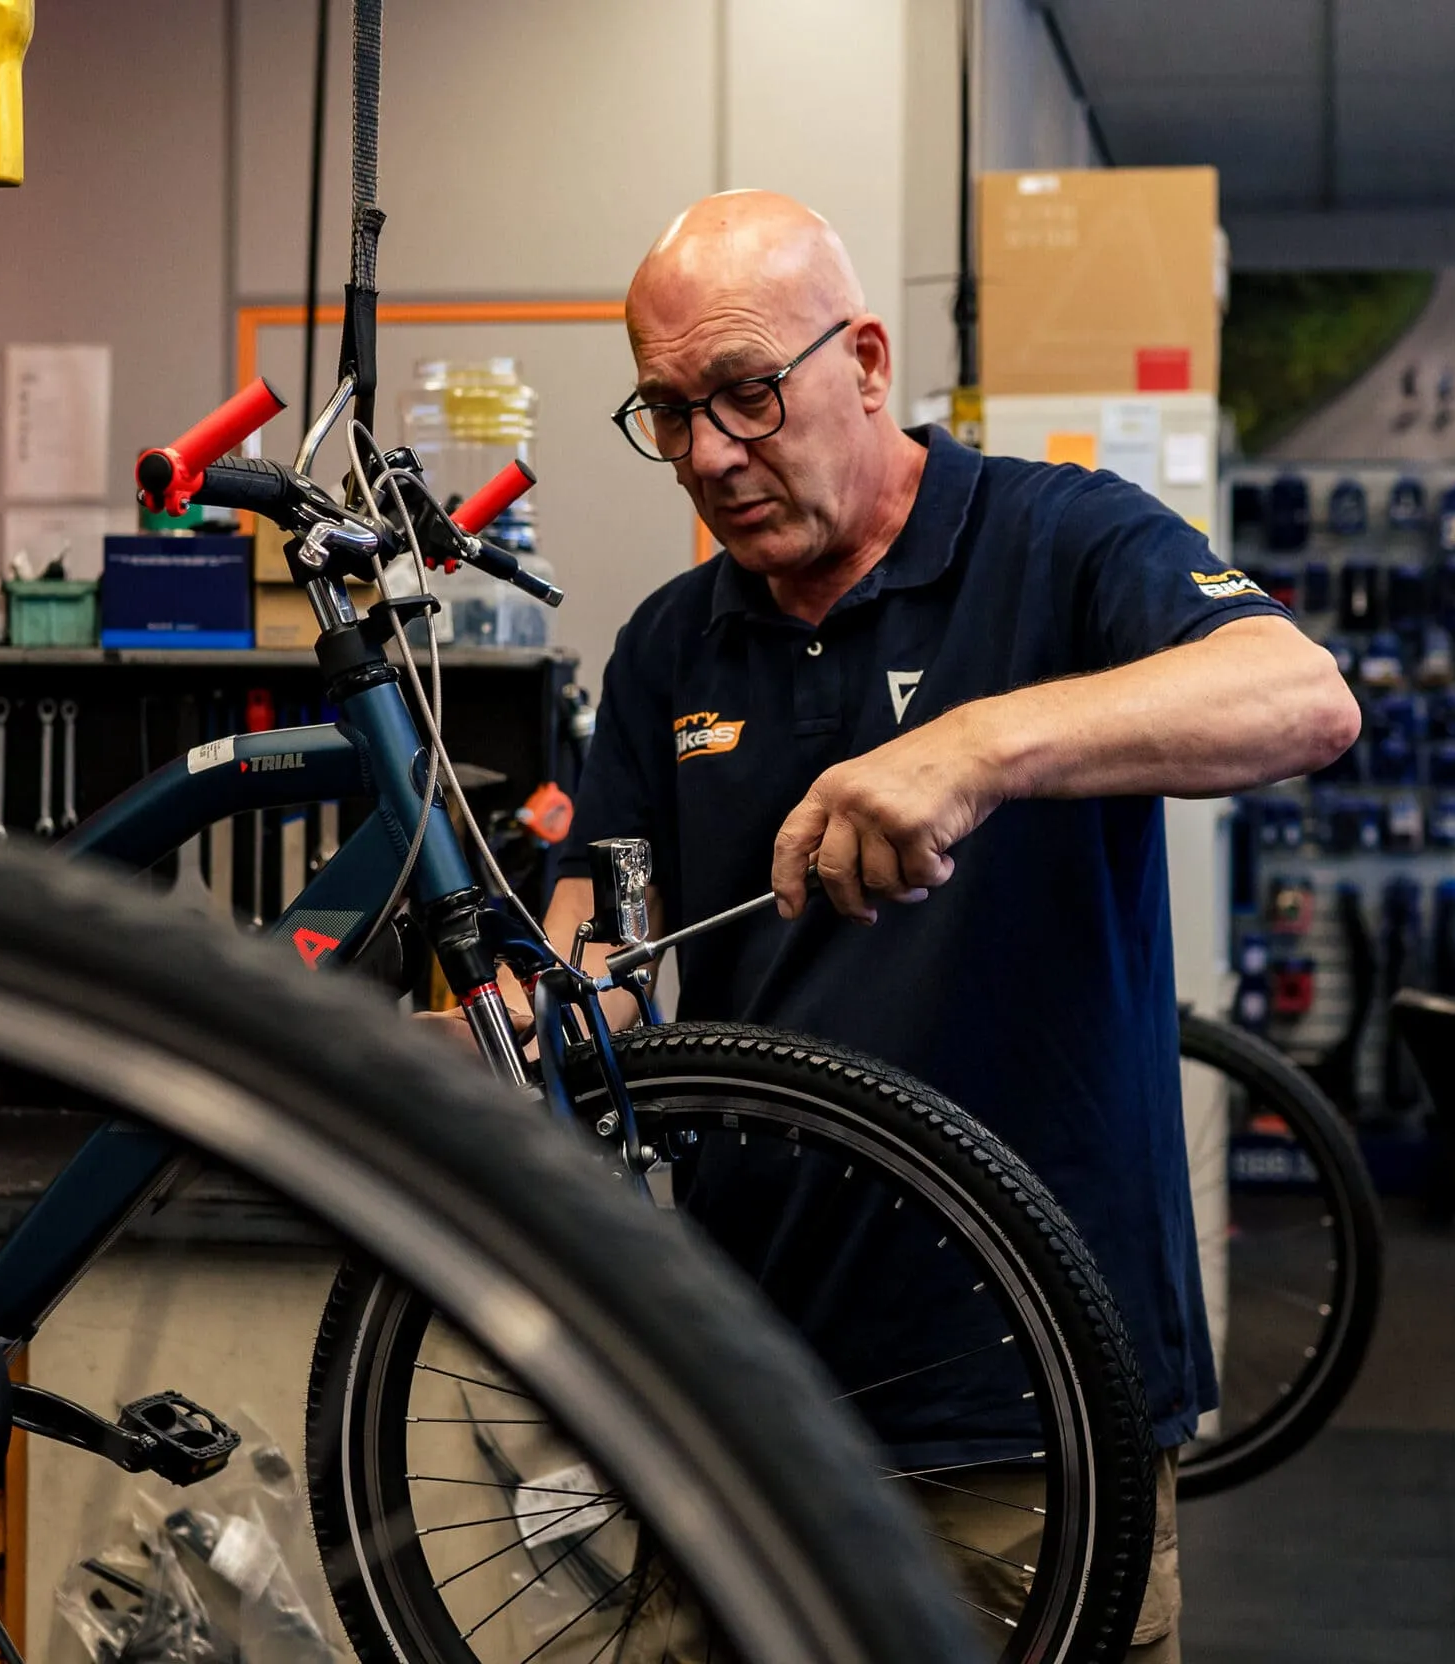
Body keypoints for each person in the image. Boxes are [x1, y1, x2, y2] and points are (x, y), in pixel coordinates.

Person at [552, 192, 1358, 1661]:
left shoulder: (1059, 543)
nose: (711, 454)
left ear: (863, 360)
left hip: (1022, 1406)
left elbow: (1300, 699)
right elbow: (601, 952)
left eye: (746, 395)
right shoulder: (673, 643)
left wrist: (977, 748)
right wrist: (531, 1016)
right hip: (742, 1400)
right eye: (668, 413)